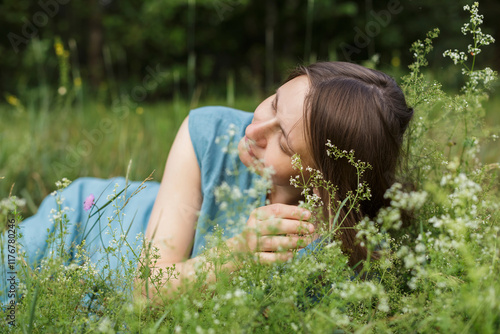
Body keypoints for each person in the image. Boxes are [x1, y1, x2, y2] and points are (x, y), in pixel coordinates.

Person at [1, 61, 413, 305]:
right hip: (87, 217)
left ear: (323, 178)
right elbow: (147, 289)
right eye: (272, 101)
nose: (254, 130)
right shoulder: (207, 129)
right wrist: (240, 252)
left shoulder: (339, 240)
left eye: (283, 140)